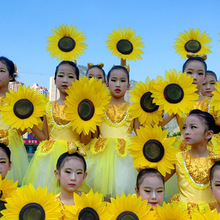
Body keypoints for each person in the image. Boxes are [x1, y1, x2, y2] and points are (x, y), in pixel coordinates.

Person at [22, 61, 85, 193]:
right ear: (55, 80)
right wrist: (29, 120)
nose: (65, 80)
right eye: (61, 76)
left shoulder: (82, 107)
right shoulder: (47, 106)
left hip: (74, 155)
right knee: (49, 193)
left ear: (77, 81)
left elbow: (85, 139)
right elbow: (45, 137)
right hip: (50, 157)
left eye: (71, 76)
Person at [86, 65, 139, 199]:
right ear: (106, 83)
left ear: (128, 85)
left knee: (122, 194)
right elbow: (95, 135)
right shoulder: (98, 107)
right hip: (101, 156)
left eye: (122, 81)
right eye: (114, 80)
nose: (118, 84)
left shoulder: (134, 108)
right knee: (101, 195)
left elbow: (139, 136)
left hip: (125, 158)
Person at [167, 109, 220, 211]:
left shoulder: (217, 160)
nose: (186, 132)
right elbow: (158, 180)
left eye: (193, 127)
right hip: (183, 213)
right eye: (184, 127)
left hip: (212, 214)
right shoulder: (178, 158)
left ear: (208, 134)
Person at [0, 56, 28, 184]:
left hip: (11, 148)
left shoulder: (17, 101)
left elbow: (22, 130)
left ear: (11, 76)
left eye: (1, 71)